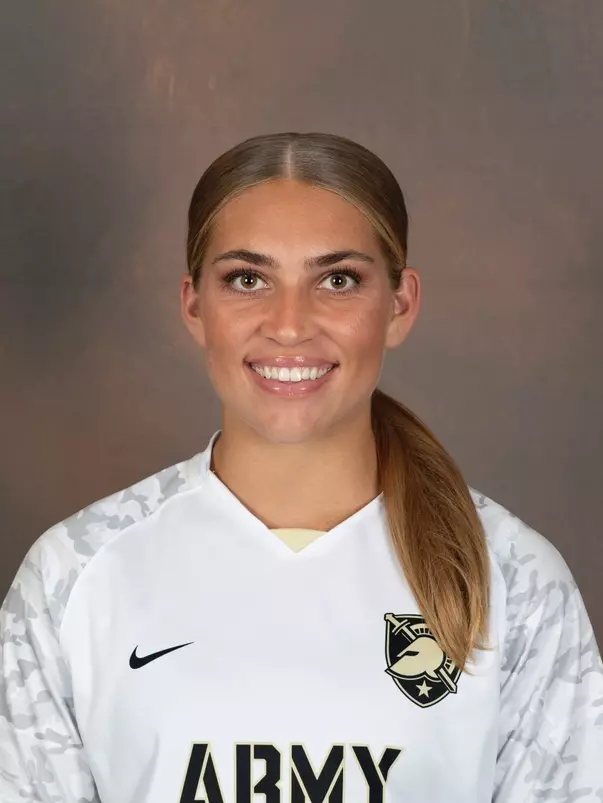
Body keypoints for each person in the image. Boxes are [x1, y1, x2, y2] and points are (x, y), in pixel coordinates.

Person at [1, 132, 602, 803]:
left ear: (399, 304)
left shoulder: (514, 581)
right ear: (194, 304)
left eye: (336, 280)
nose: (289, 325)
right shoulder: (75, 576)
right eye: (247, 279)